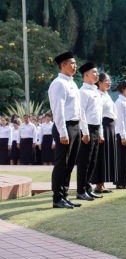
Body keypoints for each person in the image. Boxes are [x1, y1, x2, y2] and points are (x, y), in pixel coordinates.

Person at [48, 51, 85, 209]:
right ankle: (57, 198)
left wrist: (82, 129)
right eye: (72, 63)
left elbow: (79, 109)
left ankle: (64, 196)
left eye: (75, 63)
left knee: (70, 164)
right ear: (63, 65)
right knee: (61, 164)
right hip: (65, 127)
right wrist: (63, 132)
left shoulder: (73, 83)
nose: (75, 66)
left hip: (75, 127)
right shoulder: (58, 83)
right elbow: (58, 111)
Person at [76, 62, 104, 201]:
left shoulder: (96, 92)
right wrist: (85, 132)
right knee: (84, 161)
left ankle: (87, 188)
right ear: (86, 75)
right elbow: (82, 114)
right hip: (86, 129)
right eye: (94, 72)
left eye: (97, 72)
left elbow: (99, 115)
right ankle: (80, 190)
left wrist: (101, 132)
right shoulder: (83, 92)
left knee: (92, 160)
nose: (97, 74)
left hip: (96, 128)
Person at [92, 72, 117, 194]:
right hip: (104, 126)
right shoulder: (98, 95)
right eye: (107, 80)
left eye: (109, 80)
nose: (109, 82)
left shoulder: (107, 95)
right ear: (100, 83)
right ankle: (98, 184)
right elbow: (99, 115)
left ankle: (102, 184)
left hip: (110, 127)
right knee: (101, 156)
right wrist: (101, 133)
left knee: (107, 156)